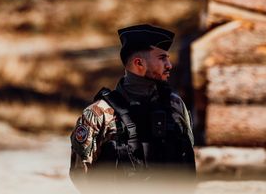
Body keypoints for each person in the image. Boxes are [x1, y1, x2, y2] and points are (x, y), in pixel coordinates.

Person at [69, 24, 195, 191]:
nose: (169, 65)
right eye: (162, 58)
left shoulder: (175, 105)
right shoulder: (99, 114)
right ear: (139, 63)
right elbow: (80, 175)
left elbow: (187, 161)